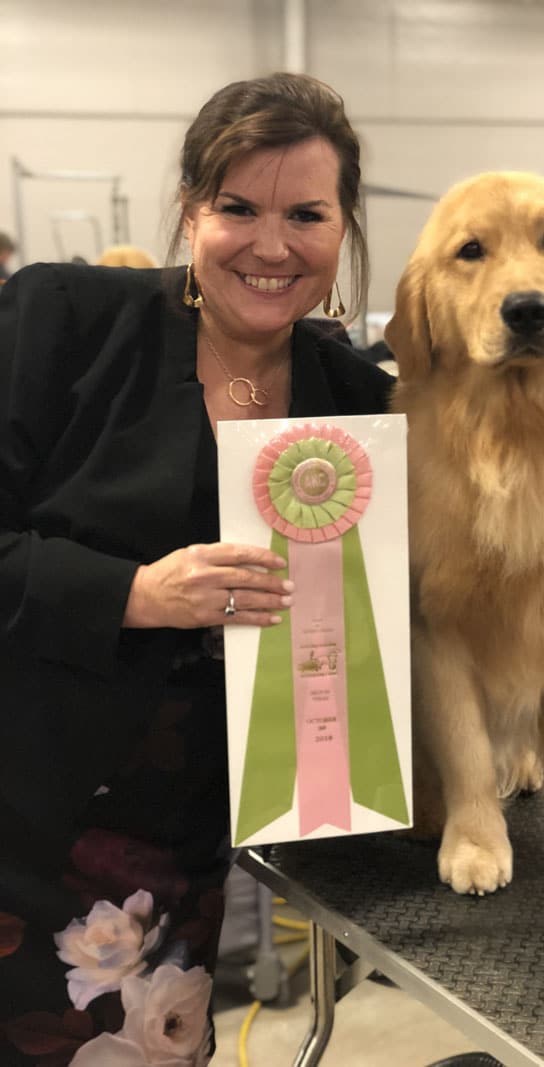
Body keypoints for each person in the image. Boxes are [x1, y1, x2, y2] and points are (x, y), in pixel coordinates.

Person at [0, 72, 394, 1065]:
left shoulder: (359, 397)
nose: (270, 244)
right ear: (189, 210)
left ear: (342, 229)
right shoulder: (59, 320)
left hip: (193, 844)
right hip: (24, 814)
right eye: (236, 208)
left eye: (305, 213)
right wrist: (133, 594)